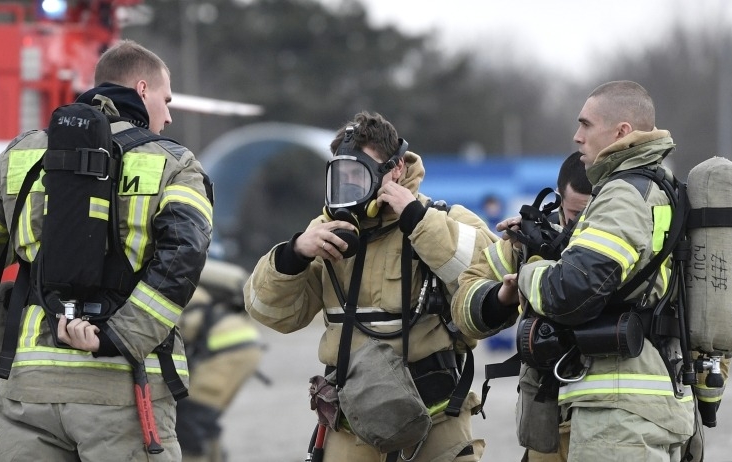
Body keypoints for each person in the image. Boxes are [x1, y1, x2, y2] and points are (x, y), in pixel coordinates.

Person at [0, 39, 213, 460]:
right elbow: (183, 260)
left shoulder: (23, 153)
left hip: (28, 391)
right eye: (165, 99)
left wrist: (31, 229)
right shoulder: (175, 164)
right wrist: (117, 337)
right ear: (141, 91)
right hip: (122, 392)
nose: (169, 115)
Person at [244, 111, 498, 461]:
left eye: (358, 175)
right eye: (341, 176)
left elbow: (491, 272)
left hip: (437, 417)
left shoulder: (439, 218)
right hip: (353, 422)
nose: (348, 186)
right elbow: (270, 312)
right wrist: (295, 254)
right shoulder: (327, 233)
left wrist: (418, 222)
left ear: (395, 170)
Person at [509, 81, 694, 461]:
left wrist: (530, 271)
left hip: (619, 417)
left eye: (586, 125)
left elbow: (571, 292)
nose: (576, 137)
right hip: (640, 407)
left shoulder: (624, 192)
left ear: (621, 131)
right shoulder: (658, 186)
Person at [451, 151, 592, 462]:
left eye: (593, 215)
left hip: (615, 419)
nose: (580, 226)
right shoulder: (531, 241)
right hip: (549, 417)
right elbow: (463, 301)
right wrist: (501, 298)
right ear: (557, 200)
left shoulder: (635, 237)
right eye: (574, 214)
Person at [177, 259, 264, 462]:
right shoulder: (187, 279)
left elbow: (183, 327)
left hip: (226, 353)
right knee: (205, 417)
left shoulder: (177, 286)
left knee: (190, 418)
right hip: (242, 346)